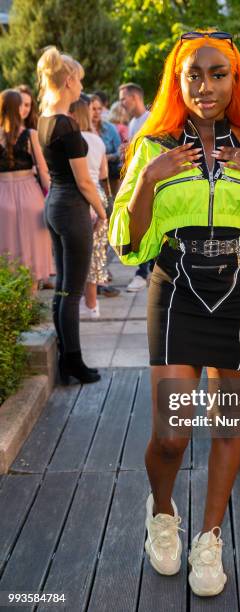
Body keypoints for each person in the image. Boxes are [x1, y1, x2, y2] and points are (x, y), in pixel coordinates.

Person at [109, 30, 240, 597]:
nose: (206, 85)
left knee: (226, 427)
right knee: (171, 436)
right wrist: (150, 178)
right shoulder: (152, 145)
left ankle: (210, 538)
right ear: (179, 81)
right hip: (175, 287)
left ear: (234, 79)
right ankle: (163, 514)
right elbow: (130, 242)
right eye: (194, 74)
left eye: (218, 74)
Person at [37, 46, 107, 384]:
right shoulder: (66, 124)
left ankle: (68, 359)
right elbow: (84, 180)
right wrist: (102, 210)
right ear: (68, 81)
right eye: (79, 81)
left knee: (63, 289)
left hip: (55, 205)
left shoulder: (45, 118)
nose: (82, 87)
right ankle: (73, 361)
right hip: (71, 208)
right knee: (72, 291)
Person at [0, 89, 53, 292]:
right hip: (30, 196)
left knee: (6, 251)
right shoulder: (31, 135)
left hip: (2, 196)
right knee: (32, 253)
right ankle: (29, 306)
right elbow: (43, 171)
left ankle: (11, 303)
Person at [69, 96, 112, 320]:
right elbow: (103, 174)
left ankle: (75, 303)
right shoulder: (97, 139)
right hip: (99, 194)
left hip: (81, 196)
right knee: (95, 254)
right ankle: (93, 305)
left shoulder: (71, 140)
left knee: (75, 254)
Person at [118, 83, 152, 292]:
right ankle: (142, 270)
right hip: (137, 181)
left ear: (135, 97)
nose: (121, 103)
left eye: (124, 98)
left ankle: (143, 272)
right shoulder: (132, 122)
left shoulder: (150, 119)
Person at [90, 94, 121, 195]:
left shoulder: (110, 128)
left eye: (99, 109)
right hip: (91, 177)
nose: (97, 112)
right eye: (93, 109)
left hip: (110, 177)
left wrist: (108, 157)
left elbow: (120, 151)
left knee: (110, 206)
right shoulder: (82, 129)